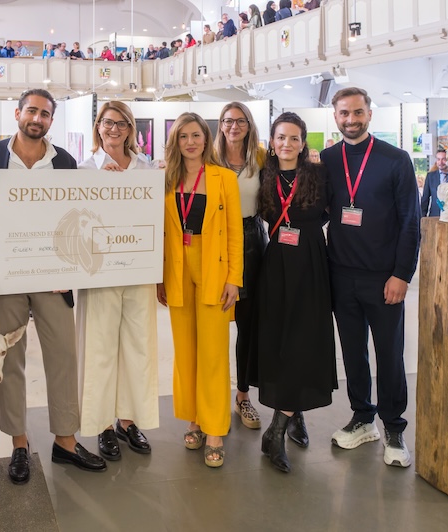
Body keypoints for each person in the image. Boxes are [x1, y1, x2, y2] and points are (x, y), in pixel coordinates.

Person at [0, 89, 107, 483]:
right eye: (31, 111)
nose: (37, 118)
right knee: (8, 361)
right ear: (17, 113)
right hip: (6, 276)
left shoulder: (64, 161)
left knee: (63, 356)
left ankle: (65, 441)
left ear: (52, 120)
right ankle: (19, 444)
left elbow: (78, 214)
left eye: (45, 114)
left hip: (53, 278)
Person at [321, 87, 420, 468]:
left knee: (390, 355)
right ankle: (363, 418)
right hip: (341, 274)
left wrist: (401, 274)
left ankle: (394, 428)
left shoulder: (395, 159)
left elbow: (410, 222)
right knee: (353, 352)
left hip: (383, 279)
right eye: (344, 113)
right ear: (335, 117)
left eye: (358, 112)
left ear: (369, 114)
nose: (351, 120)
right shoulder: (328, 159)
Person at [157, 112, 243, 468]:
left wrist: (234, 279)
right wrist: (158, 277)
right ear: (175, 142)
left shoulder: (224, 178)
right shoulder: (165, 177)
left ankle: (215, 429)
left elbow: (235, 232)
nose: (190, 142)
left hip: (213, 268)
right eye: (183, 137)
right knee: (186, 351)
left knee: (213, 353)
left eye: (196, 135)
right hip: (176, 268)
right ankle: (194, 418)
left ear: (206, 139)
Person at [76, 101, 159, 461]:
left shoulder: (147, 168)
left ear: (130, 129)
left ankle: (129, 420)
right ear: (98, 126)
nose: (114, 129)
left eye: (121, 124)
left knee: (138, 346)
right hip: (100, 271)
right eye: (107, 123)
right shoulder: (84, 170)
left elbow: (154, 216)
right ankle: (102, 426)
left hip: (139, 268)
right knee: (100, 348)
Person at [254, 112, 336, 473]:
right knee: (283, 340)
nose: (286, 144)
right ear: (272, 143)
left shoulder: (318, 174)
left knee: (306, 339)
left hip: (311, 262)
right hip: (277, 264)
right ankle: (294, 412)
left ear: (303, 143)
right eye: (280, 137)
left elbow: (328, 212)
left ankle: (276, 429)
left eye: (294, 138)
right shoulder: (265, 175)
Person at [214, 102, 267, 432]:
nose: (234, 126)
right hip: (215, 243)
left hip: (251, 240)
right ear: (220, 125)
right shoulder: (209, 157)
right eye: (228, 120)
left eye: (241, 121)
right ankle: (211, 397)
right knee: (214, 325)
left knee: (248, 326)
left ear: (249, 125)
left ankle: (243, 396)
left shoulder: (260, 157)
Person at [420, 149, 448, 217]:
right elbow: (425, 199)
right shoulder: (431, 176)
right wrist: (422, 217)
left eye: (444, 159)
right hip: (436, 216)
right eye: (438, 159)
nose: (440, 162)